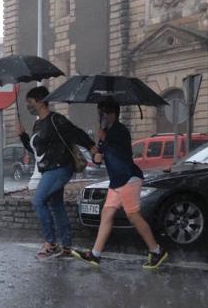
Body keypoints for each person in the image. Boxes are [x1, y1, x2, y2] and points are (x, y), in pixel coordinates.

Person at [71, 98, 168, 269]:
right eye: (99, 113)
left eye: (103, 113)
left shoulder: (119, 131)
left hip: (128, 178)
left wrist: (103, 138)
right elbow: (100, 158)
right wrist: (98, 150)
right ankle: (95, 255)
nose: (100, 117)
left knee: (133, 216)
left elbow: (113, 147)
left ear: (112, 114)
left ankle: (157, 251)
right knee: (107, 215)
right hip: (117, 181)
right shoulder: (108, 132)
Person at [18, 87, 97, 260]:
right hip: (49, 169)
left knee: (38, 201)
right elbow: (35, 150)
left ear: (39, 101)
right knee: (56, 206)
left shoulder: (56, 120)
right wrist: (23, 136)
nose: (28, 106)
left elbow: (75, 133)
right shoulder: (38, 124)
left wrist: (91, 146)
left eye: (30, 102)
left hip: (60, 167)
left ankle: (51, 243)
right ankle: (66, 246)